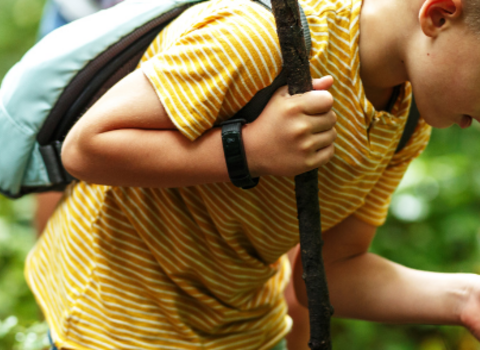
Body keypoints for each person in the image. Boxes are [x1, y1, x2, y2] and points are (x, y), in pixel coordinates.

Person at [24, 0, 480, 348]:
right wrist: (248, 149)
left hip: (239, 328)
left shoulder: (408, 117)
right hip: (113, 319)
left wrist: (465, 298)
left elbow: (331, 271)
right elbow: (87, 147)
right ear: (438, 15)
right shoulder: (262, 40)